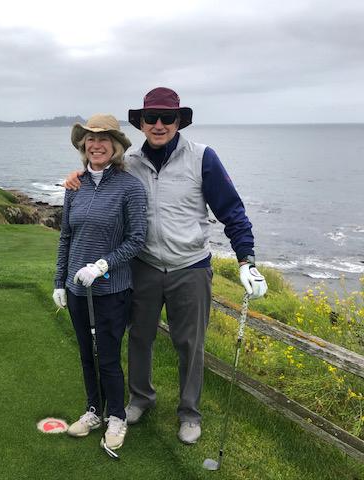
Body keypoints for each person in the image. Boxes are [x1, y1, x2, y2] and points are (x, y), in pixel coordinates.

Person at [64, 87, 267, 445]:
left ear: (179, 121)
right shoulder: (131, 161)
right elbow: (97, 175)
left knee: (189, 343)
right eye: (151, 118)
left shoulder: (203, 157)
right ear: (141, 123)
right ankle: (140, 399)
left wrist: (245, 260)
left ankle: (189, 413)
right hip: (143, 266)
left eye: (167, 118)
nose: (159, 124)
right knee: (140, 337)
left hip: (190, 266)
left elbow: (232, 211)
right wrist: (75, 177)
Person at [53, 114, 147, 452]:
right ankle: (94, 410)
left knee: (107, 357)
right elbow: (66, 236)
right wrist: (60, 281)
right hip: (78, 290)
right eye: (90, 140)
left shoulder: (130, 187)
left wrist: (104, 264)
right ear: (83, 146)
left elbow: (137, 239)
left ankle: (117, 417)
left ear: (116, 147)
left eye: (104, 139)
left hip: (111, 291)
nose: (96, 145)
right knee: (86, 356)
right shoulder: (74, 186)